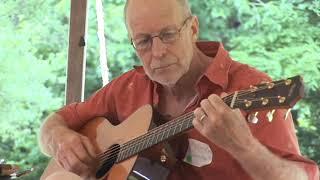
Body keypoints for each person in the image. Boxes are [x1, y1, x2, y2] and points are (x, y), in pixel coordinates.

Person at [38, 0, 319, 179]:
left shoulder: (249, 88)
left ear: (193, 28)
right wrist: (61, 140)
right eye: (144, 41)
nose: (158, 52)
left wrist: (244, 147)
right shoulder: (128, 88)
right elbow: (53, 124)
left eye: (169, 34)